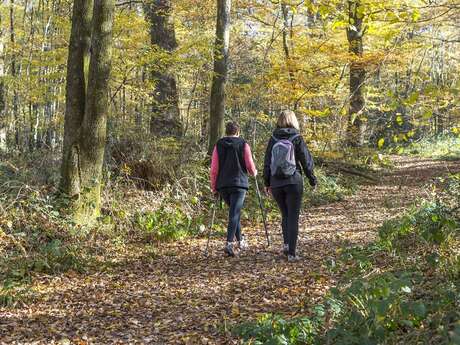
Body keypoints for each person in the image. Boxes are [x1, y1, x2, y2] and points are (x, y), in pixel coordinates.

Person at [263, 110, 317, 262]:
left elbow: (267, 162)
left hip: (276, 183)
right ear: (293, 120)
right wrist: (312, 180)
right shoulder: (297, 137)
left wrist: (267, 183)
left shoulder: (273, 138)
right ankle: (292, 253)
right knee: (293, 216)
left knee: (284, 214)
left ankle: (286, 245)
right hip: (294, 181)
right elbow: (306, 161)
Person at [210, 121, 257, 257]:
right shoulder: (243, 144)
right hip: (239, 184)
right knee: (234, 213)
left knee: (234, 212)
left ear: (227, 132)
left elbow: (214, 169)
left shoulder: (219, 145)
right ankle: (229, 244)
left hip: (223, 185)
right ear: (238, 132)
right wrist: (254, 172)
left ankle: (241, 241)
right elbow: (249, 163)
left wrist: (214, 187)